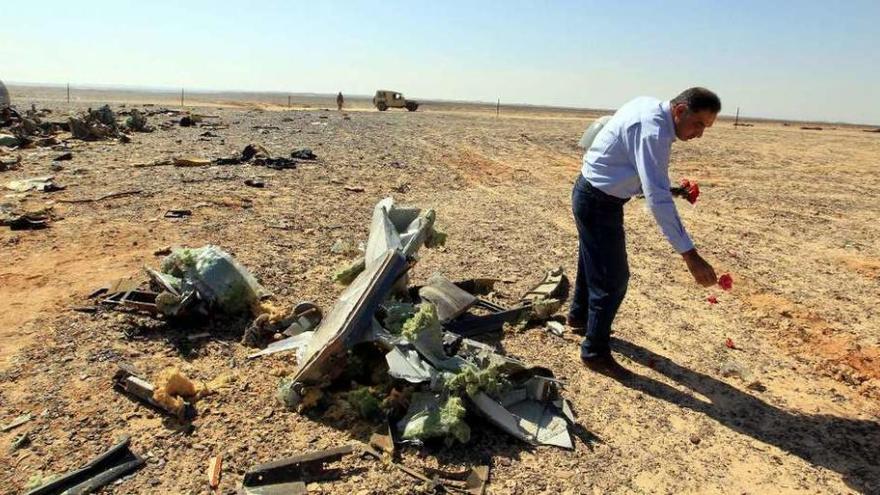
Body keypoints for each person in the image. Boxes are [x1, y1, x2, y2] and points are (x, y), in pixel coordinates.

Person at [569, 87, 720, 370]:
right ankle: (594, 351)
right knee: (612, 280)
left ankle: (579, 317)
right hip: (597, 201)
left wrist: (672, 189)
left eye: (706, 127)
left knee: (591, 261)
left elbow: (635, 168)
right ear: (678, 111)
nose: (700, 133)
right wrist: (690, 255)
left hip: (593, 193)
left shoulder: (648, 106)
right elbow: (656, 198)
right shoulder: (654, 132)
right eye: (698, 124)